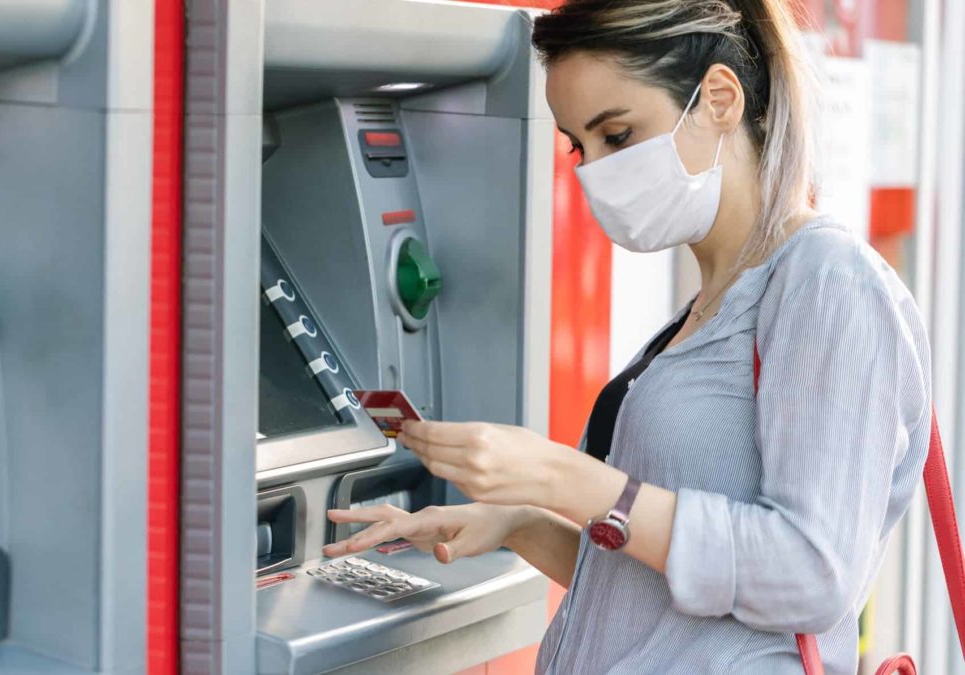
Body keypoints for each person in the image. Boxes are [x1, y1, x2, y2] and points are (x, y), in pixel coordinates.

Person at [321, 1, 933, 673]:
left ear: (719, 101)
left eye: (617, 134)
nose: (593, 171)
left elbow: (814, 574)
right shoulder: (707, 307)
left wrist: (563, 475)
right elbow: (663, 595)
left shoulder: (830, 283)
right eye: (580, 145)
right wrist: (520, 522)